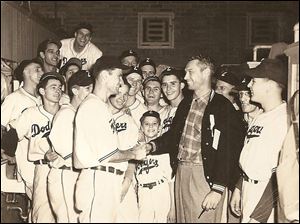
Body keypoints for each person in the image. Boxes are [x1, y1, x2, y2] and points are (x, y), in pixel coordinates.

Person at [144, 55, 244, 222]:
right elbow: (173, 136)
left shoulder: (222, 106)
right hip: (182, 172)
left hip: (204, 175)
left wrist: (218, 188)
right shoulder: (186, 103)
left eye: (190, 72)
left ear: (205, 73)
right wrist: (152, 146)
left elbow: (230, 149)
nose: (185, 77)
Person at [73, 56, 147, 222]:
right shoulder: (93, 106)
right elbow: (109, 155)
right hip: (98, 180)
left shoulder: (100, 106)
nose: (121, 82)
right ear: (105, 76)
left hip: (106, 180)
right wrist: (134, 154)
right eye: (118, 76)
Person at [230, 58, 289, 223]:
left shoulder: (284, 120)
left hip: (266, 199)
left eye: (254, 81)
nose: (249, 86)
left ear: (270, 86)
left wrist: (259, 216)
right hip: (250, 190)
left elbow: (281, 174)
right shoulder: (261, 117)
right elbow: (252, 157)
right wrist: (239, 187)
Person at [1, 72, 65, 223]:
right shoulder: (31, 114)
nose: (58, 91)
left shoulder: (67, 112)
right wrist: (7, 153)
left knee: (65, 215)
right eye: (53, 87)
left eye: (60, 88)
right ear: (42, 91)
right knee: (42, 215)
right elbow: (13, 133)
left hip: (64, 169)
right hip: (42, 168)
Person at [46, 70, 93, 222]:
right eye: (86, 88)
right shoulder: (66, 114)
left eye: (91, 88)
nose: (91, 92)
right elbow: (68, 153)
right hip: (64, 173)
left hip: (74, 174)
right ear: (74, 90)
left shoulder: (79, 113)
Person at [1, 58, 43, 201]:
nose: (41, 72)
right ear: (25, 72)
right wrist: (6, 151)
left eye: (41, 69)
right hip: (25, 159)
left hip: (43, 158)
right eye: (37, 69)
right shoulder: (14, 98)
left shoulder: (42, 99)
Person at [107, 80, 140, 222]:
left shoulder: (128, 121)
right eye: (119, 93)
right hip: (100, 177)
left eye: (126, 94)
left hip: (121, 176)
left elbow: (133, 152)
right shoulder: (97, 114)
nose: (122, 97)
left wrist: (127, 179)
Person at [135, 110, 175, 222]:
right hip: (143, 192)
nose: (150, 127)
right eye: (147, 124)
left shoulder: (164, 150)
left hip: (160, 191)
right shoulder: (136, 150)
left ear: (160, 127)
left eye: (154, 124)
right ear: (141, 127)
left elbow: (171, 181)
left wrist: (173, 207)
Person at [159, 67, 186, 134]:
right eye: (165, 85)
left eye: (173, 84)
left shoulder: (189, 110)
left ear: (181, 85)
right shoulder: (162, 113)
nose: (168, 88)